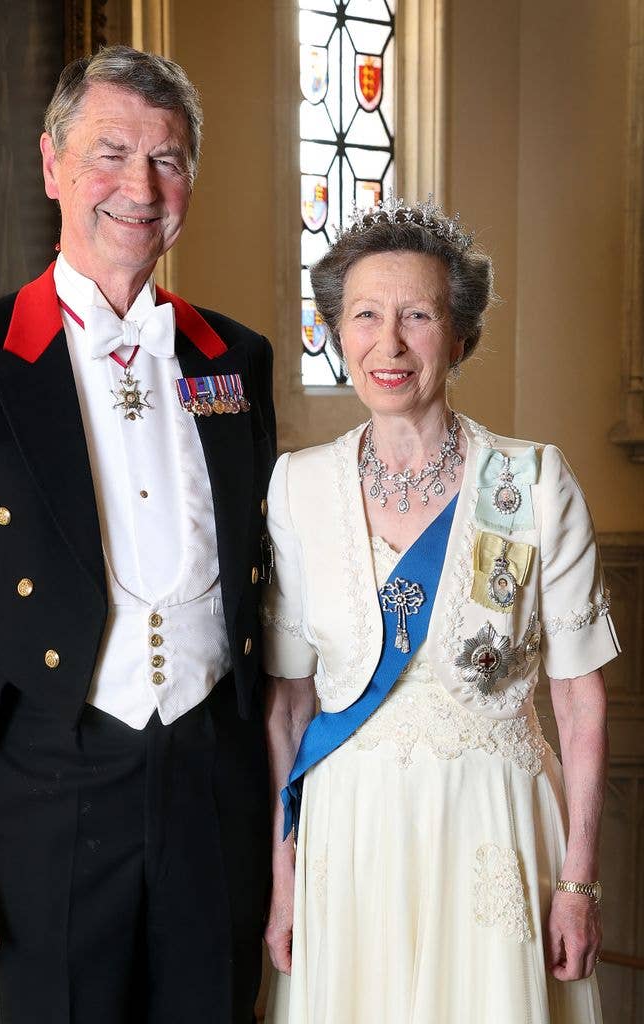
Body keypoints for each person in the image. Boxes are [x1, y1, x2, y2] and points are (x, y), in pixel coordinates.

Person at [0, 46, 275, 1024]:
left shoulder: (239, 361)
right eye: (110, 153)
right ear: (50, 165)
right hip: (41, 796)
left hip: (209, 790)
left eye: (169, 159)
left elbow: (272, 593)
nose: (140, 188)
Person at [261, 194, 617, 1023]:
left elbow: (579, 698)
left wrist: (578, 880)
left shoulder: (530, 482)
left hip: (492, 826)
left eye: (417, 315)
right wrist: (283, 878)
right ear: (336, 331)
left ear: (459, 337)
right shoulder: (297, 486)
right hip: (349, 838)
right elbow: (287, 703)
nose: (389, 343)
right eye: (365, 316)